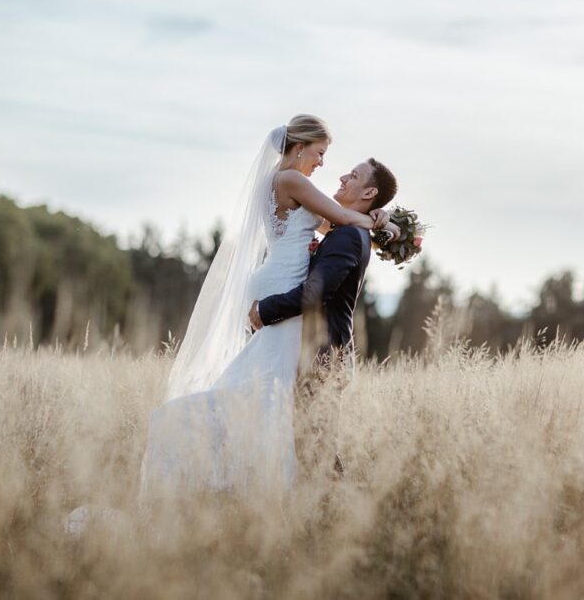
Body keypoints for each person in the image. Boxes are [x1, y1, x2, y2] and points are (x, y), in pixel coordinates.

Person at [139, 115, 397, 498]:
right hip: (282, 281)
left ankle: (270, 476)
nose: (324, 164)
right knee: (272, 387)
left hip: (279, 276)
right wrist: (380, 223)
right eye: (320, 152)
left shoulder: (285, 183)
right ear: (300, 146)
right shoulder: (291, 179)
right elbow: (341, 219)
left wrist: (375, 221)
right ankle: (274, 481)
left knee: (268, 384)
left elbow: (332, 227)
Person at [249, 158, 399, 478]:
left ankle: (334, 515)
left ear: (369, 191)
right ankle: (328, 514)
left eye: (354, 176)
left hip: (325, 356)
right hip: (323, 353)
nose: (344, 176)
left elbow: (315, 292)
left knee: (314, 450)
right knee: (314, 446)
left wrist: (265, 310)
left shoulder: (347, 237)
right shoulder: (348, 230)